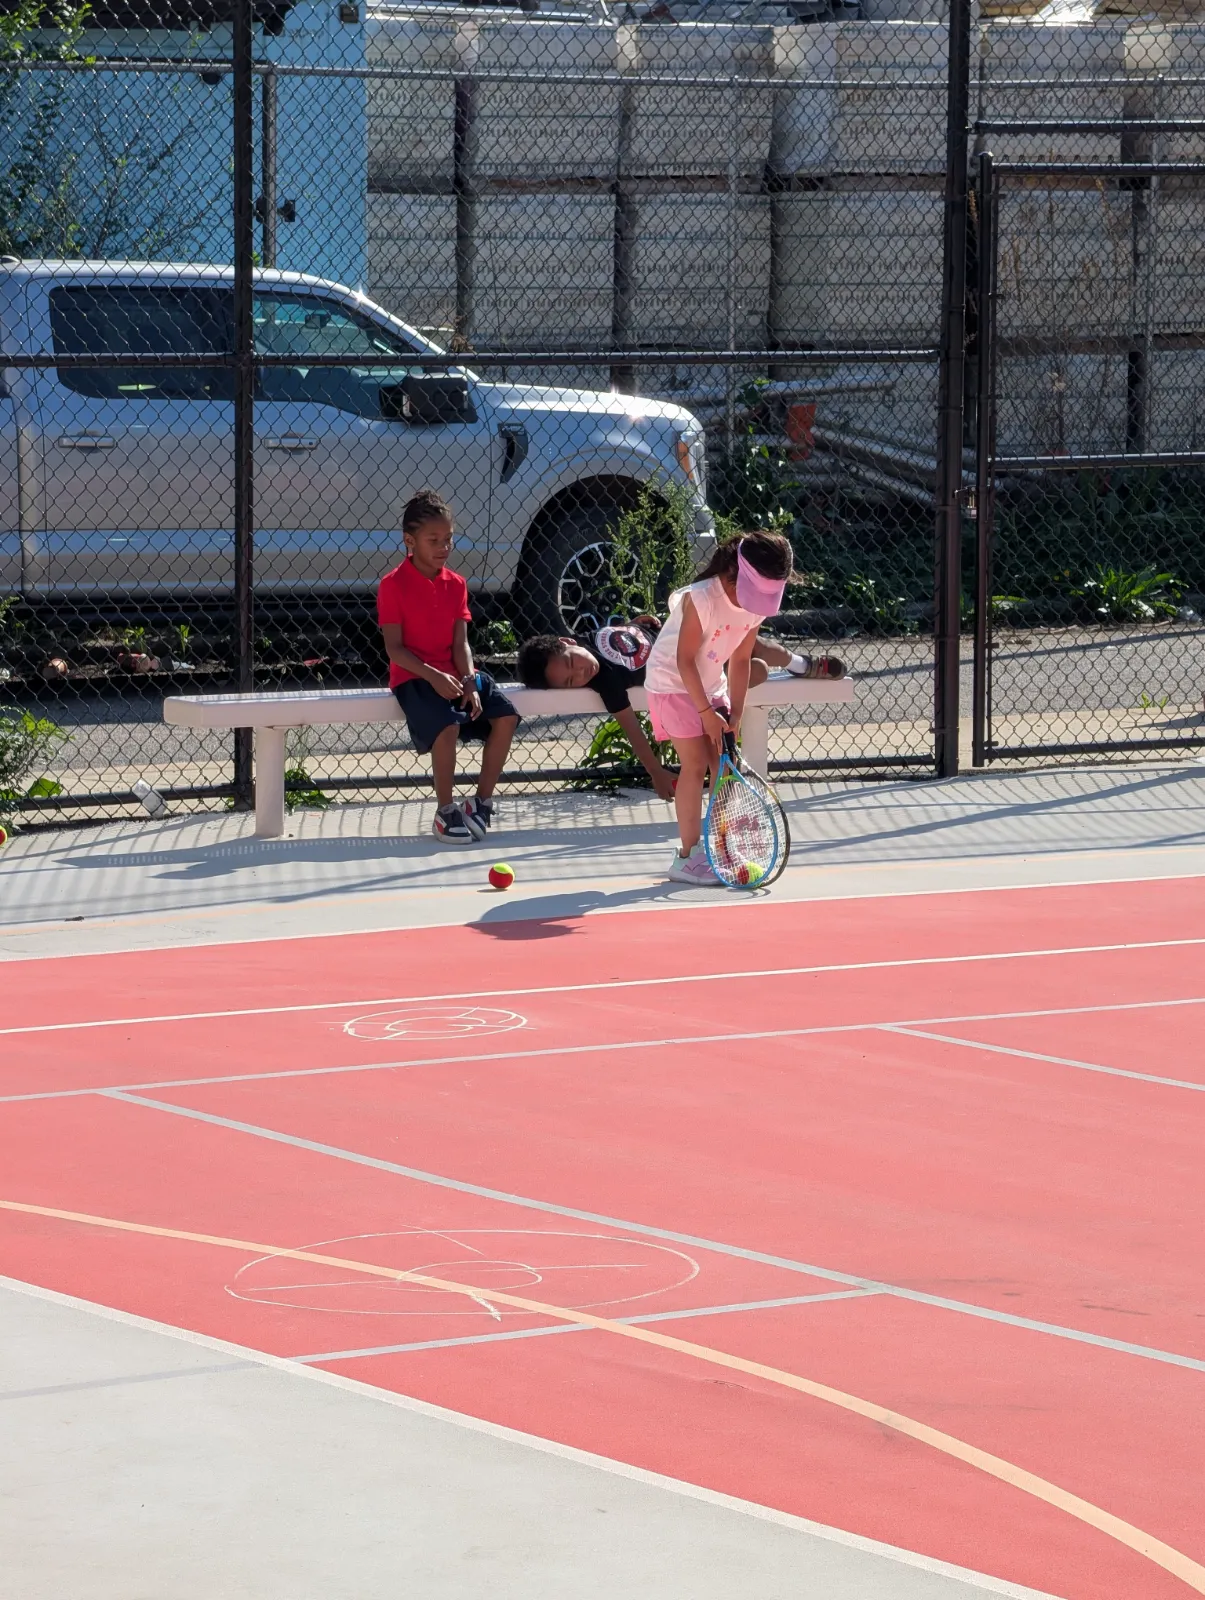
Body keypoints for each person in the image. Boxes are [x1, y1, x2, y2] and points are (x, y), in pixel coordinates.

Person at [518, 620, 842, 804]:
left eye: (573, 663)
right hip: (695, 674)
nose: (581, 673)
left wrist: (637, 623)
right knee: (749, 669)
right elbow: (631, 726)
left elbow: (627, 637)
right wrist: (657, 772)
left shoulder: (594, 635)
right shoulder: (606, 681)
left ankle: (803, 664)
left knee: (748, 639)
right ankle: (743, 673)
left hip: (692, 641)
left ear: (567, 641)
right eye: (572, 681)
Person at [643, 528, 794, 885]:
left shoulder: (755, 607)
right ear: (736, 573)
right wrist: (705, 714)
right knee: (695, 764)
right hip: (672, 685)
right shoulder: (702, 599)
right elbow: (683, 661)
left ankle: (722, 848)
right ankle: (689, 857)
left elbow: (740, 660)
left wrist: (735, 713)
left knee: (723, 770)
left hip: (712, 687)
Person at [377, 489, 519, 842]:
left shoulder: (456, 584)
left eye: (448, 539)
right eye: (434, 540)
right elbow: (395, 650)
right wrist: (434, 676)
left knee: (506, 716)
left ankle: (481, 804)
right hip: (414, 676)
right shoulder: (391, 586)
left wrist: (469, 679)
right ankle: (445, 811)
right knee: (447, 726)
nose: (444, 547)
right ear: (410, 541)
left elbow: (461, 644)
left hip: (454, 673)